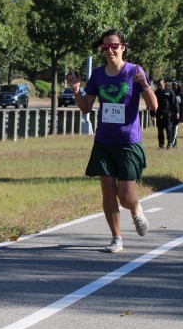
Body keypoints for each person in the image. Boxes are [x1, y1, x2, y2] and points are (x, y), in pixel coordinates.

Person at [67, 29, 159, 253]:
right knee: (108, 193)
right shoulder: (98, 75)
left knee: (125, 195)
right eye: (105, 47)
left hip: (128, 141)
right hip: (104, 141)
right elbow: (86, 108)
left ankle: (136, 209)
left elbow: (154, 106)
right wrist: (76, 90)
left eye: (114, 46)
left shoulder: (134, 71)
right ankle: (116, 238)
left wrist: (145, 85)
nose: (110, 50)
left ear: (123, 47)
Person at [154, 78, 175, 149]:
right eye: (158, 85)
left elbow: (174, 102)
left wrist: (176, 112)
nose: (159, 86)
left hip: (168, 114)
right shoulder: (156, 92)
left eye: (160, 85)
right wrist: (152, 114)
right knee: (160, 130)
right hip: (159, 114)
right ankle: (161, 145)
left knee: (168, 129)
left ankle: (170, 143)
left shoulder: (169, 91)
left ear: (164, 84)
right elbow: (153, 104)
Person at [169, 81, 183, 148]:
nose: (174, 87)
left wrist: (182, 116)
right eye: (173, 85)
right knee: (171, 129)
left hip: (178, 115)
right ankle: (174, 143)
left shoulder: (181, 95)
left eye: (175, 85)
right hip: (171, 114)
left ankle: (172, 143)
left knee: (174, 128)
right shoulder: (171, 94)